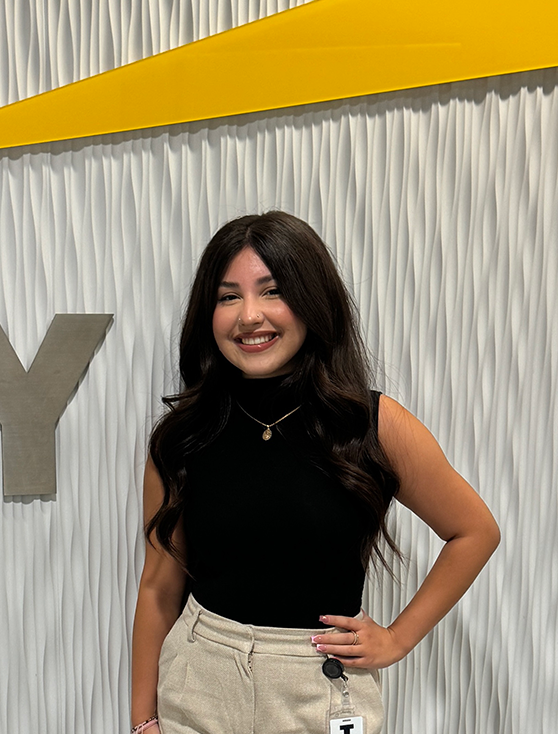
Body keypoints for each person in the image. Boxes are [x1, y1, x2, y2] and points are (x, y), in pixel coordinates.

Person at [130, 211, 500, 734]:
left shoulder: (371, 424)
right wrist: (143, 721)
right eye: (228, 296)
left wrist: (397, 638)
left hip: (318, 687)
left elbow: (475, 531)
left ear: (311, 301)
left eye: (272, 291)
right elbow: (158, 589)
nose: (248, 316)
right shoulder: (182, 436)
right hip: (199, 679)